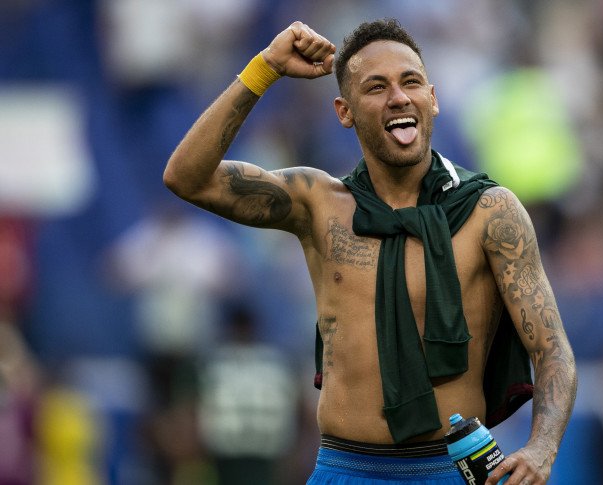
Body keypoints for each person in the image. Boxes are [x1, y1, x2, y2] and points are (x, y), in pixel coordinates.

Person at [163, 18, 577, 484]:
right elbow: (187, 178)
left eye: (411, 82)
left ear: (433, 99)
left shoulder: (490, 211)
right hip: (346, 469)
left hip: (451, 470)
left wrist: (542, 447)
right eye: (376, 87)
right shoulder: (318, 203)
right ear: (345, 112)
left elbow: (552, 349)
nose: (398, 97)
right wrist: (266, 68)